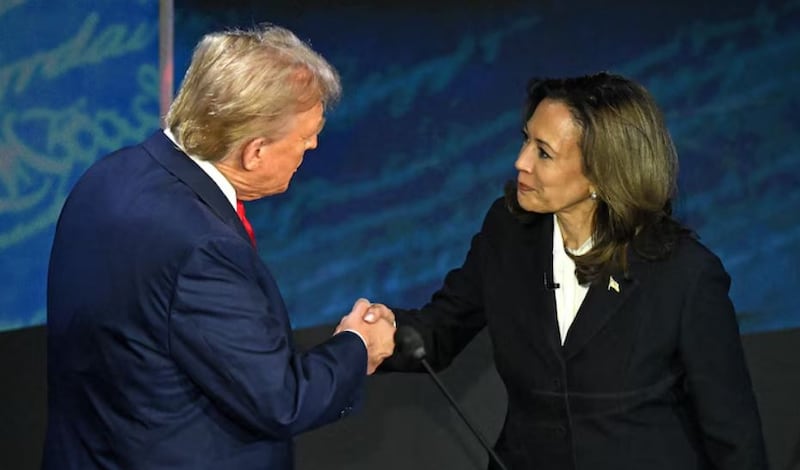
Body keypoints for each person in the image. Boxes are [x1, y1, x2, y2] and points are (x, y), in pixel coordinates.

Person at [364, 72, 768, 469]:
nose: (520, 161)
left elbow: (733, 436)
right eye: (526, 139)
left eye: (544, 152)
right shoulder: (507, 232)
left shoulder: (685, 274)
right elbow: (441, 329)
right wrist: (379, 334)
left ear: (602, 172)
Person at [43, 24, 395, 470]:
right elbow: (281, 401)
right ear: (255, 151)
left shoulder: (108, 175)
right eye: (305, 141)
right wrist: (357, 345)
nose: (314, 145)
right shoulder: (203, 248)